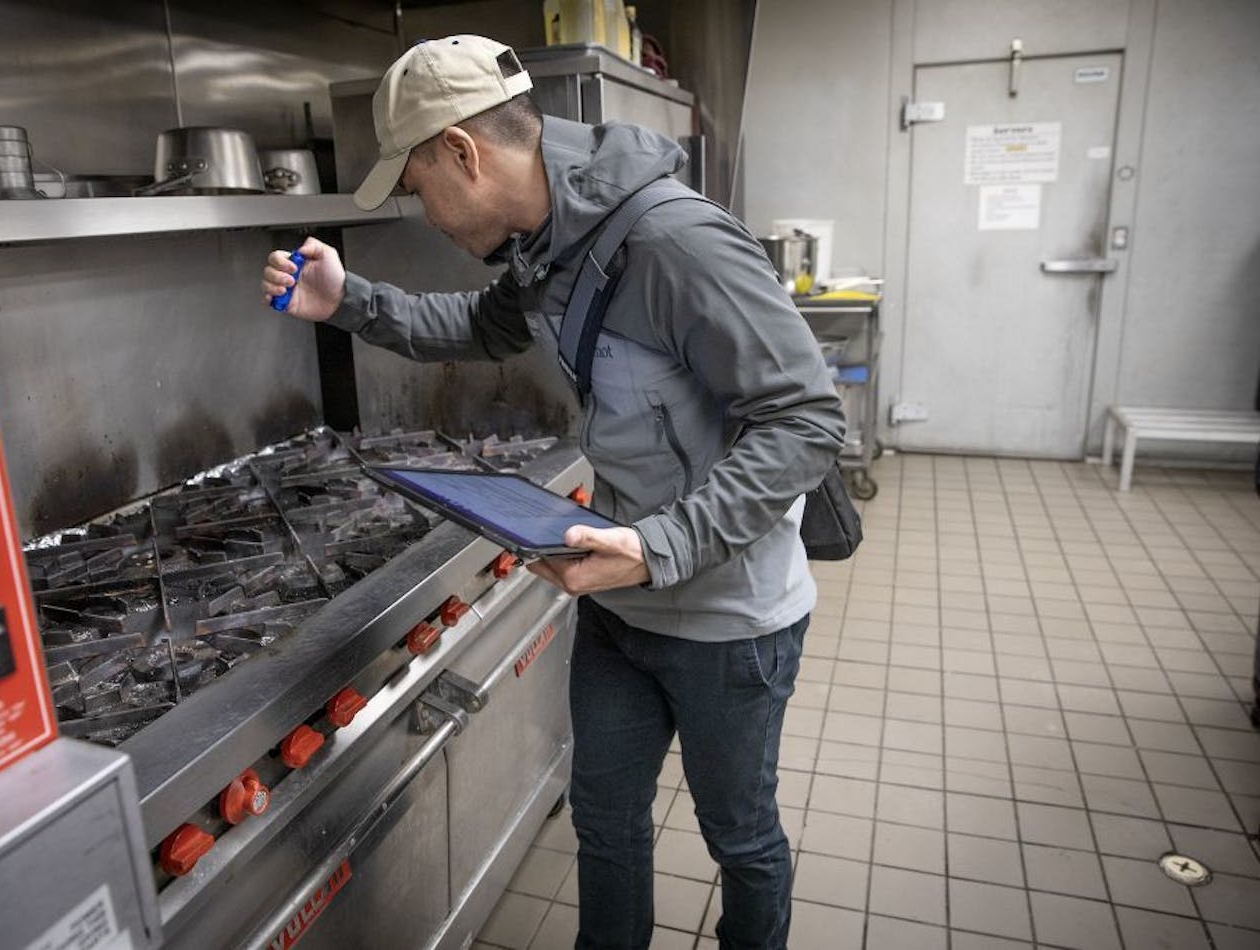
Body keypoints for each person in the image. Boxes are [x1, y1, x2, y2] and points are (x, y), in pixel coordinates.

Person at [260, 34, 844, 950]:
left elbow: (807, 420)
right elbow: (481, 326)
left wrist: (660, 546)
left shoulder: (675, 242)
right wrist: (350, 302)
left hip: (730, 623)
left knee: (741, 838)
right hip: (620, 609)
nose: (423, 211)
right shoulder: (550, 243)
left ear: (464, 152)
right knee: (606, 826)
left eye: (416, 186)